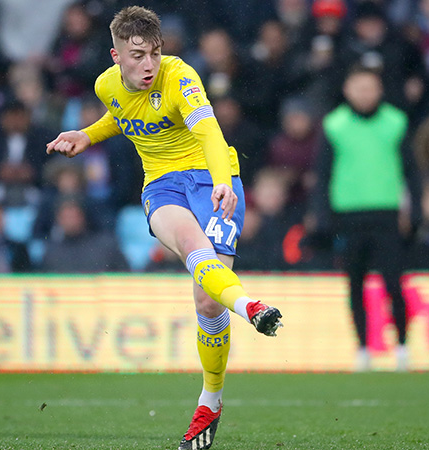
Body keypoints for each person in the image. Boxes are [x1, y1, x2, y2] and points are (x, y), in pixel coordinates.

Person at [44, 7, 283, 450]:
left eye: (154, 53)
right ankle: (250, 306)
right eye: (137, 55)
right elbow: (123, 115)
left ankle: (211, 398)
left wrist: (220, 182)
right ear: (116, 56)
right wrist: (89, 135)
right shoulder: (104, 85)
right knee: (197, 254)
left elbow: (210, 132)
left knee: (208, 301)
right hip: (161, 185)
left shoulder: (180, 77)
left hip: (212, 178)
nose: (149, 64)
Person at [310, 65, 420, 372]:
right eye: (358, 87)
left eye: (369, 87)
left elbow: (411, 171)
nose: (364, 94)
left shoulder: (395, 123)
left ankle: (401, 346)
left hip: (386, 213)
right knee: (354, 285)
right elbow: (323, 174)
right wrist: (322, 216)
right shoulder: (335, 125)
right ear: (347, 90)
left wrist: (417, 210)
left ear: (380, 90)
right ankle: (362, 348)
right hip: (348, 215)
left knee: (394, 283)